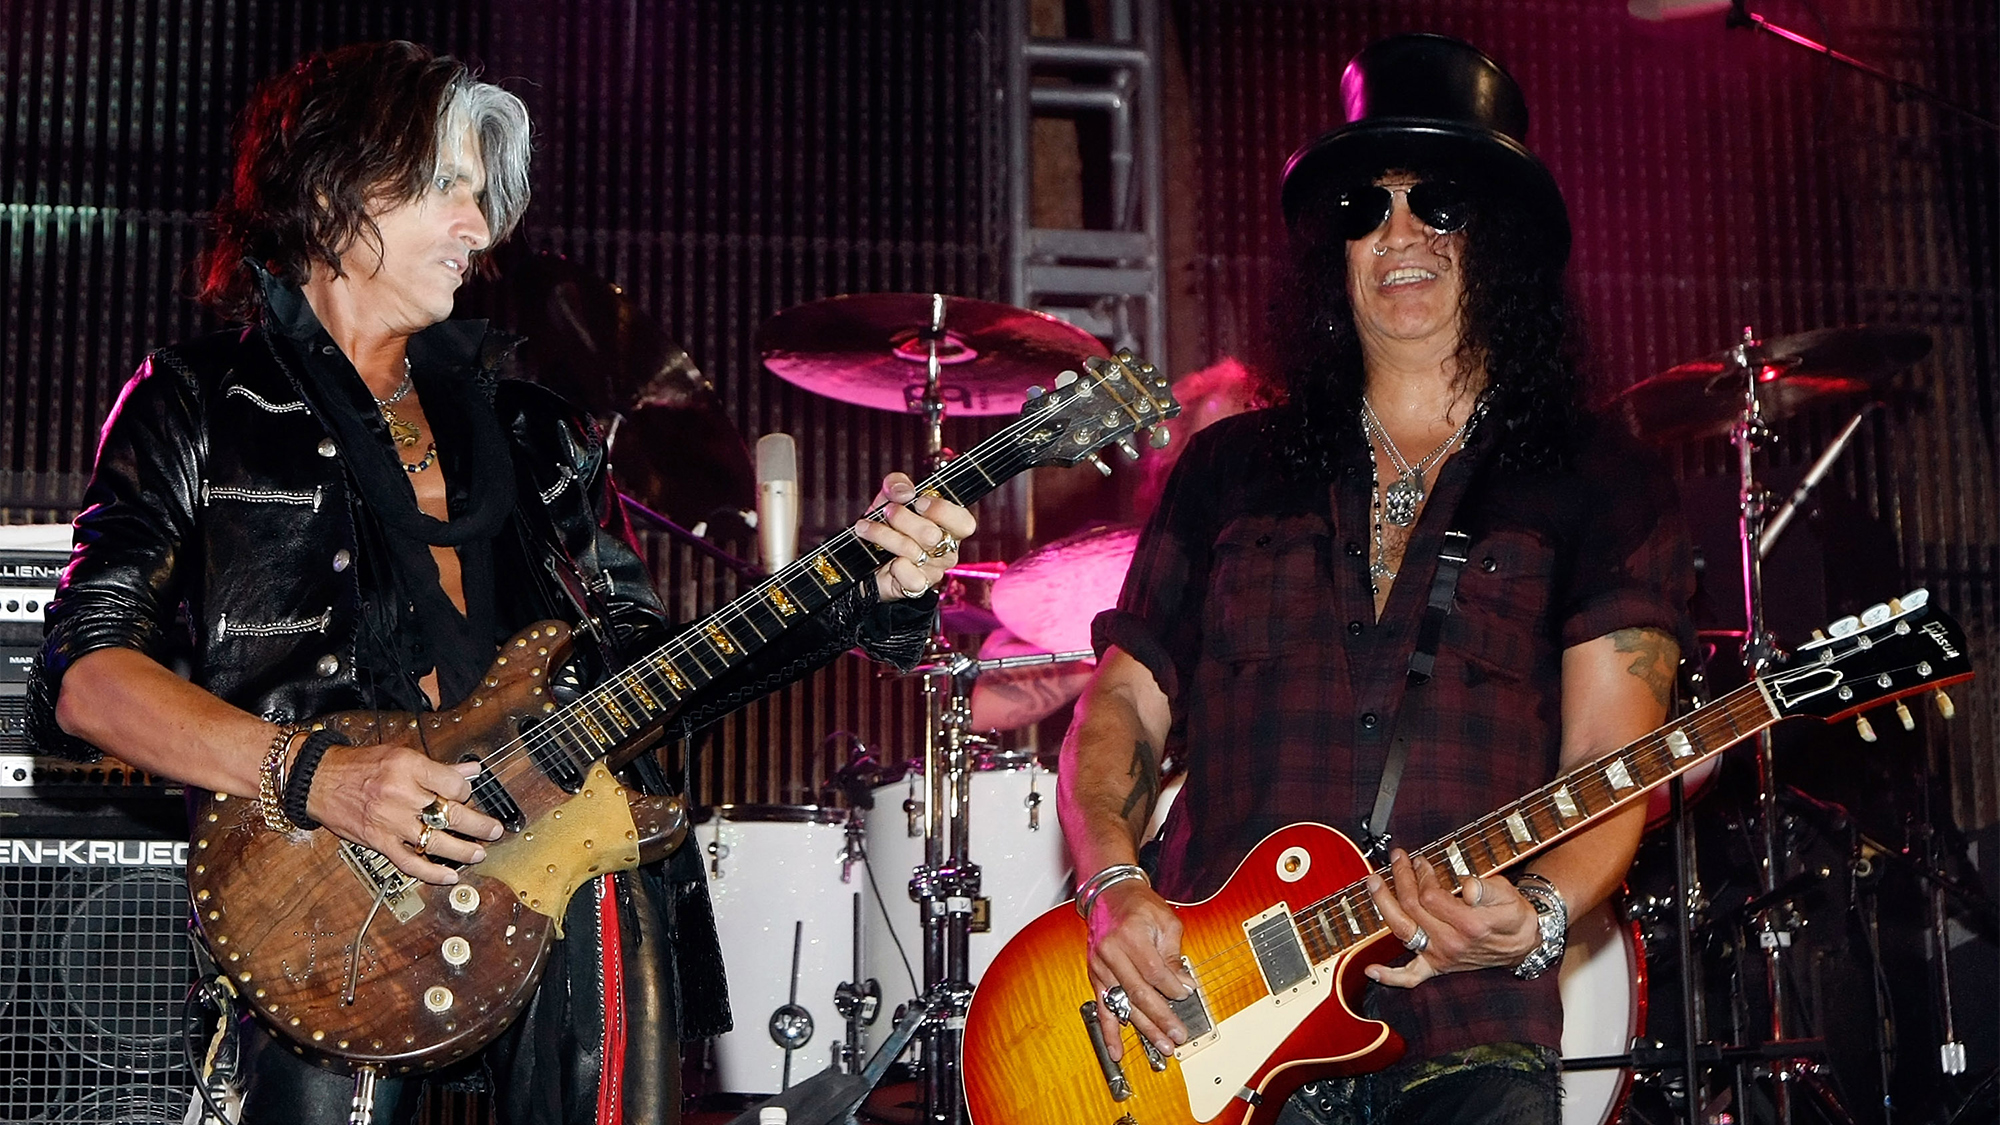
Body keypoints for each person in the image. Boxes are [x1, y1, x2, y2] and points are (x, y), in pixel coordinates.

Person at [27, 41, 975, 1125]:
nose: (482, 230)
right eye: (450, 189)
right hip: (328, 905)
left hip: (564, 881)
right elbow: (84, 679)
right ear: (338, 183)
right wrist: (316, 775)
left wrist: (866, 588)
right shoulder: (200, 400)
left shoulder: (534, 432)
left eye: (485, 197)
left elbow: (657, 676)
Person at [1059, 34, 1693, 1125]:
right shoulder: (1230, 470)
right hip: (1212, 1035)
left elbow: (1612, 758)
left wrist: (1541, 911)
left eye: (1435, 202)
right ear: (1330, 253)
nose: (1397, 234)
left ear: (1493, 237)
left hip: (1466, 1032)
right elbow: (1118, 704)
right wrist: (1113, 886)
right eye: (1363, 209)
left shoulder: (1599, 479)